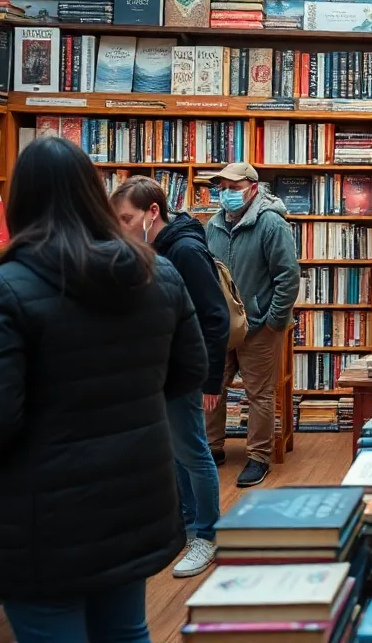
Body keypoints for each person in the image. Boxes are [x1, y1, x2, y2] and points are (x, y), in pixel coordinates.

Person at [0, 137, 207, 642]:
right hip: (135, 491)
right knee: (126, 630)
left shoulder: (8, 285)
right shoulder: (157, 273)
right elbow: (190, 372)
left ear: (19, 201)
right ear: (96, 196)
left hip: (45, 514)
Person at [111, 176, 229, 578]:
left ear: (152, 212)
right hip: (161, 369)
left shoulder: (185, 251)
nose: (121, 227)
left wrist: (212, 380)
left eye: (126, 218)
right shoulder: (156, 248)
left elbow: (215, 316)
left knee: (193, 451)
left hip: (183, 370)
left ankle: (207, 535)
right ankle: (188, 525)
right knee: (178, 452)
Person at [205, 162, 300, 487]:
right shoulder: (213, 225)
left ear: (253, 188)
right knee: (211, 386)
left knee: (258, 394)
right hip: (221, 326)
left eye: (234, 187)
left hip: (259, 326)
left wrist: (273, 321)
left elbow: (288, 277)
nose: (227, 194)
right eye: (223, 188)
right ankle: (212, 448)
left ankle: (258, 457)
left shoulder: (271, 224)